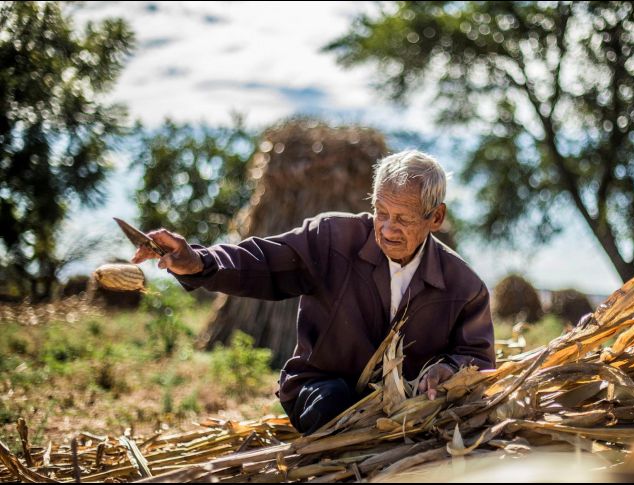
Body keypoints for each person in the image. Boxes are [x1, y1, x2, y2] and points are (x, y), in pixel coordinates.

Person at [131, 149, 495, 434]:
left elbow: (476, 356)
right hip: (322, 388)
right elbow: (263, 261)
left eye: (402, 219)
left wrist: (450, 368)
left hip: (407, 409)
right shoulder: (331, 239)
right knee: (333, 409)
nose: (386, 229)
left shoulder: (464, 287)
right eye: (380, 212)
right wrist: (198, 261)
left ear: (436, 217)